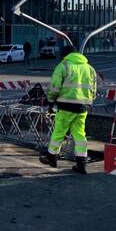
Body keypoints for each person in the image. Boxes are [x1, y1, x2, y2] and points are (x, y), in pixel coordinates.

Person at [39, 45, 97, 174]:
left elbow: (54, 87)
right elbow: (93, 89)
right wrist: (89, 102)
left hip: (66, 106)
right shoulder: (90, 68)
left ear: (65, 55)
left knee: (59, 132)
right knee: (80, 135)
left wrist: (50, 102)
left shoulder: (63, 66)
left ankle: (52, 158)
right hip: (82, 107)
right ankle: (81, 163)